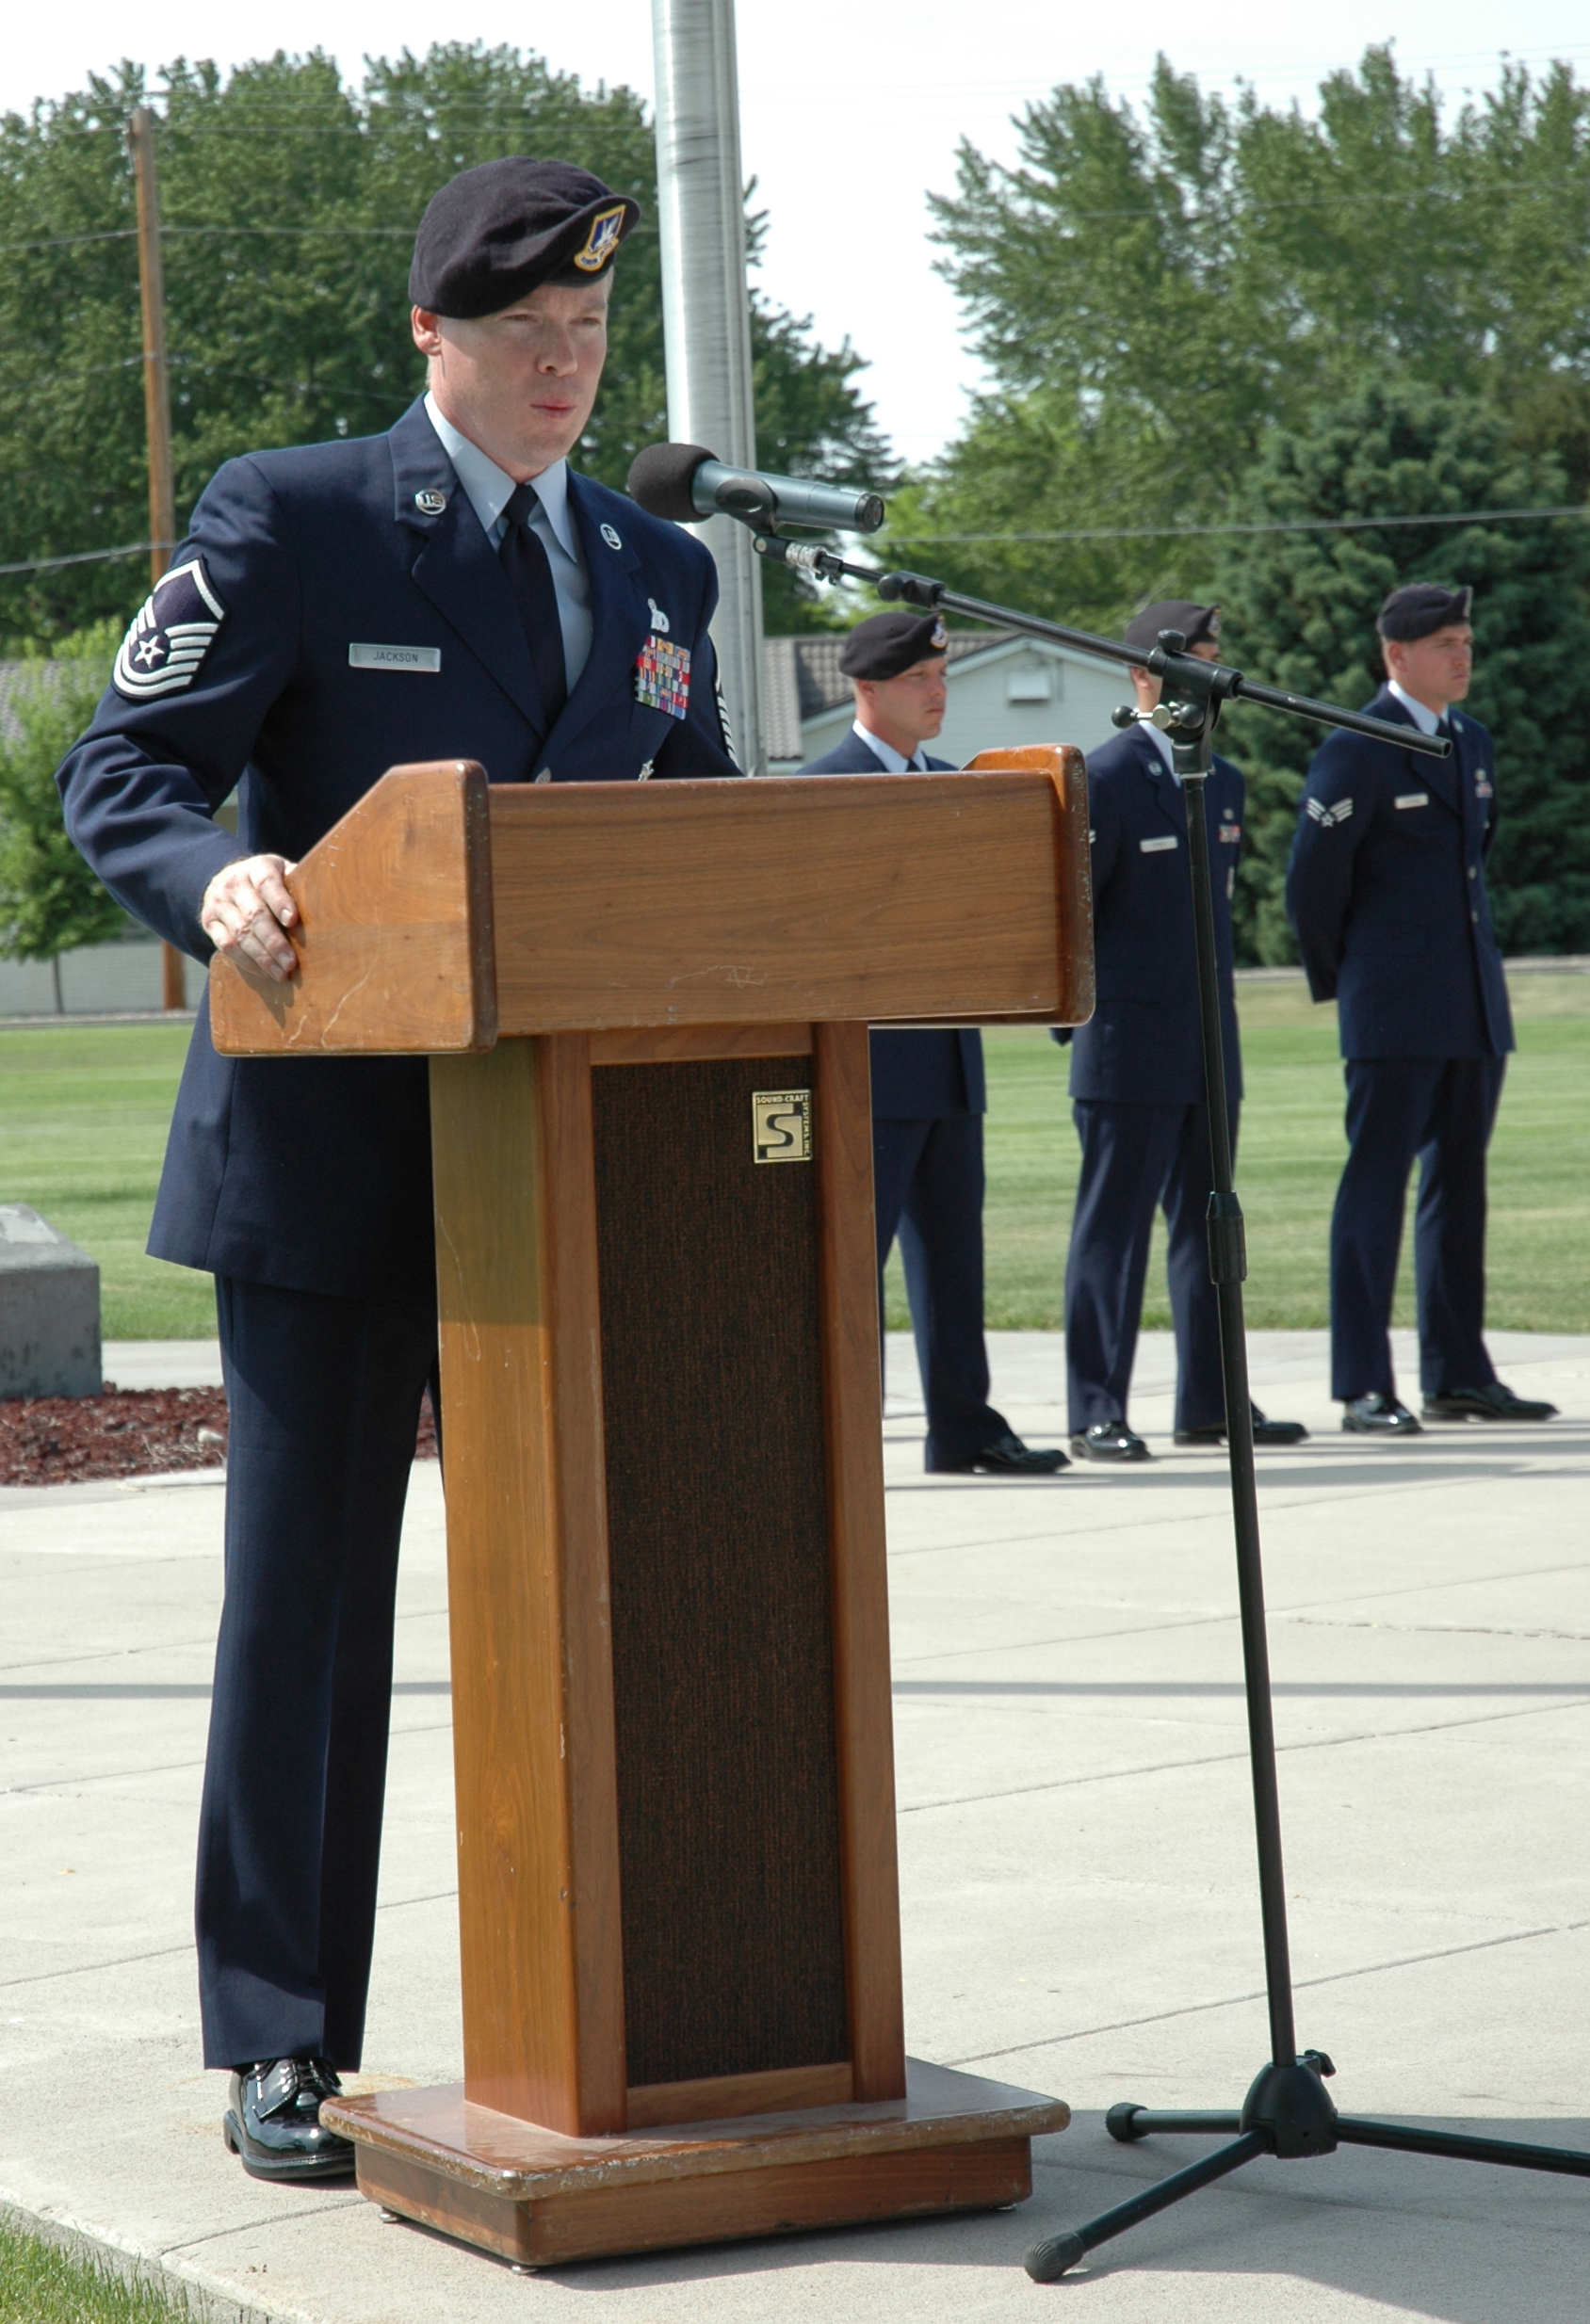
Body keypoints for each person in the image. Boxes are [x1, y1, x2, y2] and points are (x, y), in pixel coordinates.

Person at [57, 157, 739, 2185]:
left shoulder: (655, 570)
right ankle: (283, 2035)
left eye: (593, 337)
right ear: (430, 339)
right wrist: (225, 873)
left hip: (581, 1161)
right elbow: (124, 773)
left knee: (634, 1593)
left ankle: (663, 2005)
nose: (566, 369)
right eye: (528, 336)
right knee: (311, 1607)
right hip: (333, 1157)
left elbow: (696, 846)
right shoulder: (301, 516)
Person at [797, 610, 1066, 1475]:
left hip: (950, 1064)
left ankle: (963, 1429)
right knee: (849, 1274)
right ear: (865, 688)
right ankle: (840, 1439)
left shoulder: (956, 784)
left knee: (955, 1266)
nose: (937, 691)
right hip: (867, 1073)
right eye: (919, 678)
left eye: (942, 677)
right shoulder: (823, 789)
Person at [1286, 581, 1555, 1434]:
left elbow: (1474, 867)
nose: (1463, 655)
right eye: (1445, 645)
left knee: (1459, 1191)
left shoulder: (1469, 742)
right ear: (1397, 657)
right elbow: (1311, 889)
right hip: (1394, 1007)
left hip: (1470, 1003)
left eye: (1467, 640)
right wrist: (1355, 984)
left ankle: (1459, 1374)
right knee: (1376, 1190)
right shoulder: (1357, 749)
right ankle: (1365, 1385)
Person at [1058, 600, 1306, 1462]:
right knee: (1113, 1235)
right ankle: (1096, 1409)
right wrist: (1076, 1026)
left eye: (1215, 657)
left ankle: (1211, 1403)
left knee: (1213, 1231)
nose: (1212, 673)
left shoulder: (1222, 780)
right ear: (1145, 674)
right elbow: (1070, 914)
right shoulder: (1110, 776)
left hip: (1209, 1047)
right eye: (1195, 658)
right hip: (1127, 1050)